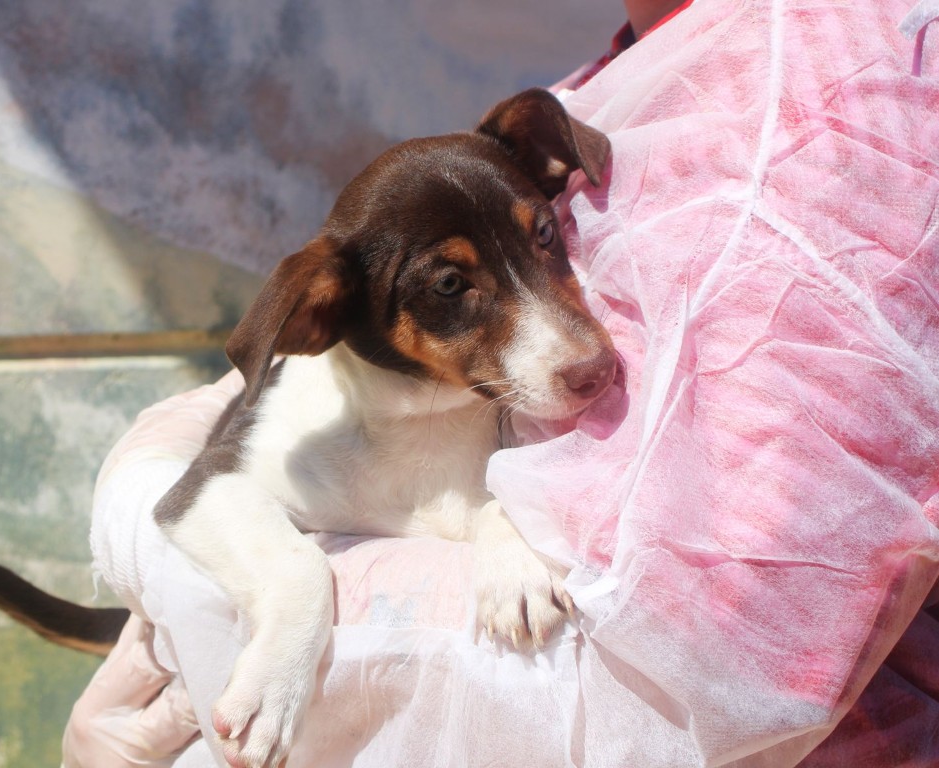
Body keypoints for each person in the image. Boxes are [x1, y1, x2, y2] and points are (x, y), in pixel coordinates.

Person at [63, 0, 939, 765]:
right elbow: (214, 493)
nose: (577, 344)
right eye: (452, 288)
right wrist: (251, 574)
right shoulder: (616, 70)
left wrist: (492, 534)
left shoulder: (838, 97)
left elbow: (677, 667)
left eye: (545, 238)